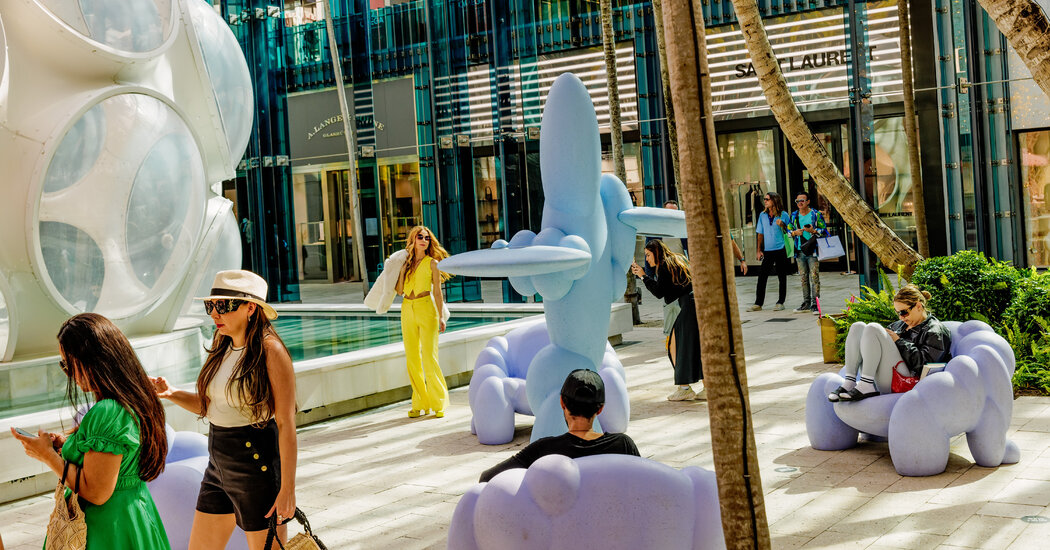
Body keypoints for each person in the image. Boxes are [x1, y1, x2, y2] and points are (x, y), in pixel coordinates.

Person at [152, 270, 297, 550]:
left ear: (250, 308)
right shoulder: (222, 345)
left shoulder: (270, 350)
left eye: (224, 305)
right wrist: (171, 393)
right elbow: (211, 406)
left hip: (256, 466)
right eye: (211, 306)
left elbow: (286, 423)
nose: (215, 314)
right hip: (217, 464)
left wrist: (287, 488)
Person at [12, 313, 170, 549]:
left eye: (69, 364)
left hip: (106, 529)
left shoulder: (107, 410)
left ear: (93, 360)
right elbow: (113, 460)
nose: (69, 374)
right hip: (132, 516)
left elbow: (96, 493)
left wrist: (47, 456)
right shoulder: (134, 399)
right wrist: (68, 444)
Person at [479, 369, 639, 482]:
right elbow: (644, 482)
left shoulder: (543, 450)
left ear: (562, 402)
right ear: (600, 408)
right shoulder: (623, 446)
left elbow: (487, 478)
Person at [828, 285, 952, 402]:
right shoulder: (899, 325)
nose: (901, 317)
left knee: (873, 328)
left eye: (904, 312)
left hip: (907, 381)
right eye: (898, 313)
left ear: (918, 306)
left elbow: (924, 365)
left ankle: (866, 384)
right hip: (885, 376)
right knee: (857, 326)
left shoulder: (935, 331)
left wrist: (898, 341)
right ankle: (850, 382)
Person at [631, 240, 704, 401]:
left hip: (689, 306)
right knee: (696, 346)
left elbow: (659, 292)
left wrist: (643, 276)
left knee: (675, 346)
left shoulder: (664, 266)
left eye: (648, 255)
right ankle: (706, 387)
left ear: (656, 252)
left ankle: (685, 388)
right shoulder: (677, 259)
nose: (647, 259)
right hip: (695, 303)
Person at [394, 225, 453, 418]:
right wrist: (402, 271)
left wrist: (441, 316)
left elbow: (437, 292)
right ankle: (420, 403)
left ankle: (438, 403)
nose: (424, 240)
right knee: (412, 359)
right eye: (420, 237)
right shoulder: (406, 262)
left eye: (427, 238)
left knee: (429, 357)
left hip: (426, 308)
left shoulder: (432, 263)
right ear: (413, 239)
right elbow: (399, 291)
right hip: (407, 309)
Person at [747, 191, 791, 311]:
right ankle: (758, 303)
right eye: (765, 199)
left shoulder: (784, 215)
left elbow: (791, 231)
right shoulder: (762, 215)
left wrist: (783, 225)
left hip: (781, 249)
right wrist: (758, 250)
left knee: (782, 276)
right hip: (768, 251)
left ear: (775, 201)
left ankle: (780, 302)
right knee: (762, 277)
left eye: (767, 199)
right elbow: (760, 233)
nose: (765, 201)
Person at [788, 191, 827, 314]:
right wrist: (794, 233)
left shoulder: (815, 215)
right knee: (803, 278)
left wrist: (813, 231)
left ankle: (815, 304)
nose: (800, 203)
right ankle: (806, 303)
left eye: (802, 200)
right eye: (797, 201)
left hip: (813, 250)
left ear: (808, 201)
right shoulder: (794, 216)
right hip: (800, 251)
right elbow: (788, 231)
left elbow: (824, 230)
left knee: (814, 277)